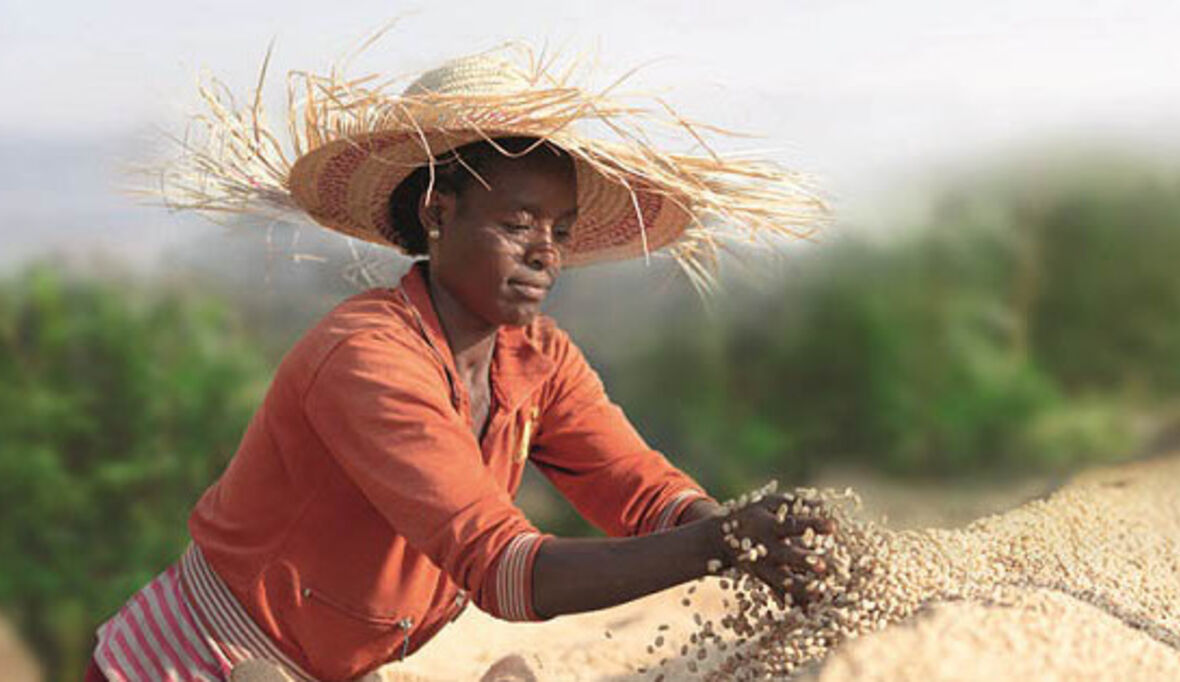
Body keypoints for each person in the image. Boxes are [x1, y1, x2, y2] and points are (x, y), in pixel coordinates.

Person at [85, 46, 829, 682]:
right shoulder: (368, 359)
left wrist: (743, 534)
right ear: (439, 215)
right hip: (196, 662)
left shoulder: (537, 360)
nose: (545, 253)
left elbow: (639, 490)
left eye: (561, 230)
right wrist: (720, 544)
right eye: (518, 223)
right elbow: (503, 569)